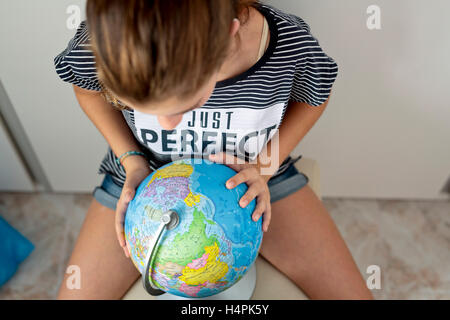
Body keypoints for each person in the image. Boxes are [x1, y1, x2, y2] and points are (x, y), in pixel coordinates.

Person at [54, 0, 373, 299]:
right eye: (140, 106)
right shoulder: (100, 44)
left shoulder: (288, 47)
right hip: (144, 175)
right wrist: (132, 159)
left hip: (254, 177)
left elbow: (314, 97)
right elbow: (86, 88)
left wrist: (263, 167)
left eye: (187, 104)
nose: (167, 124)